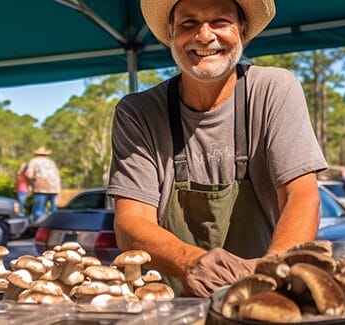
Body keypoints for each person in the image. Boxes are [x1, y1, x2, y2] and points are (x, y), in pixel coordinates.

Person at [108, 0, 327, 297]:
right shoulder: (139, 113)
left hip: (263, 303)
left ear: (243, 30)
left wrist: (269, 272)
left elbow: (301, 196)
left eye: (221, 22)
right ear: (171, 33)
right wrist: (190, 262)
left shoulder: (274, 90)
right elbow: (130, 223)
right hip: (170, 308)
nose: (204, 35)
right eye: (188, 24)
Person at [26, 147, 61, 222]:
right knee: (54, 209)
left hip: (41, 189)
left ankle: (38, 226)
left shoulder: (34, 161)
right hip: (53, 189)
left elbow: (29, 175)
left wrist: (31, 182)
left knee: (39, 210)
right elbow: (57, 175)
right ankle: (55, 224)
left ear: (36, 154)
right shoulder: (51, 162)